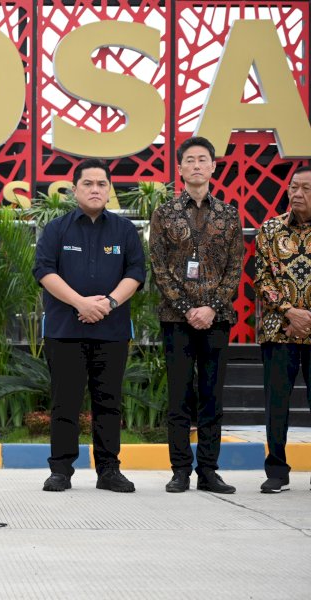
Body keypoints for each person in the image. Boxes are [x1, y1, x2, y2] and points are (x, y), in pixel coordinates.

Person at [33, 158, 145, 493]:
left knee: (108, 403)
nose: (95, 189)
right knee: (65, 402)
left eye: (101, 184)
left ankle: (109, 470)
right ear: (74, 189)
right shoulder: (57, 229)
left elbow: (136, 272)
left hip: (111, 331)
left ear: (109, 190)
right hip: (65, 331)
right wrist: (80, 303)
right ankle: (61, 471)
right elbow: (44, 271)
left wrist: (108, 303)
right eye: (88, 183)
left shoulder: (125, 230)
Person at [149, 136, 243, 494]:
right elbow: (159, 267)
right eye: (189, 160)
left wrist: (211, 307)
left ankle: (208, 471)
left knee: (211, 396)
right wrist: (188, 309)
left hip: (217, 319)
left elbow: (235, 268)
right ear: (180, 168)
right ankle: (179, 471)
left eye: (203, 159)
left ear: (213, 166)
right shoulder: (165, 213)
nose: (196, 165)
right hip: (177, 320)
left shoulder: (229, 214)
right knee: (179, 397)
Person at [253, 165, 311, 493]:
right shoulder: (271, 229)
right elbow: (262, 278)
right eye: (293, 187)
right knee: (276, 404)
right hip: (279, 329)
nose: (297, 194)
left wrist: (307, 318)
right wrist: (290, 312)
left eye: (306, 188)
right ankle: (276, 470)